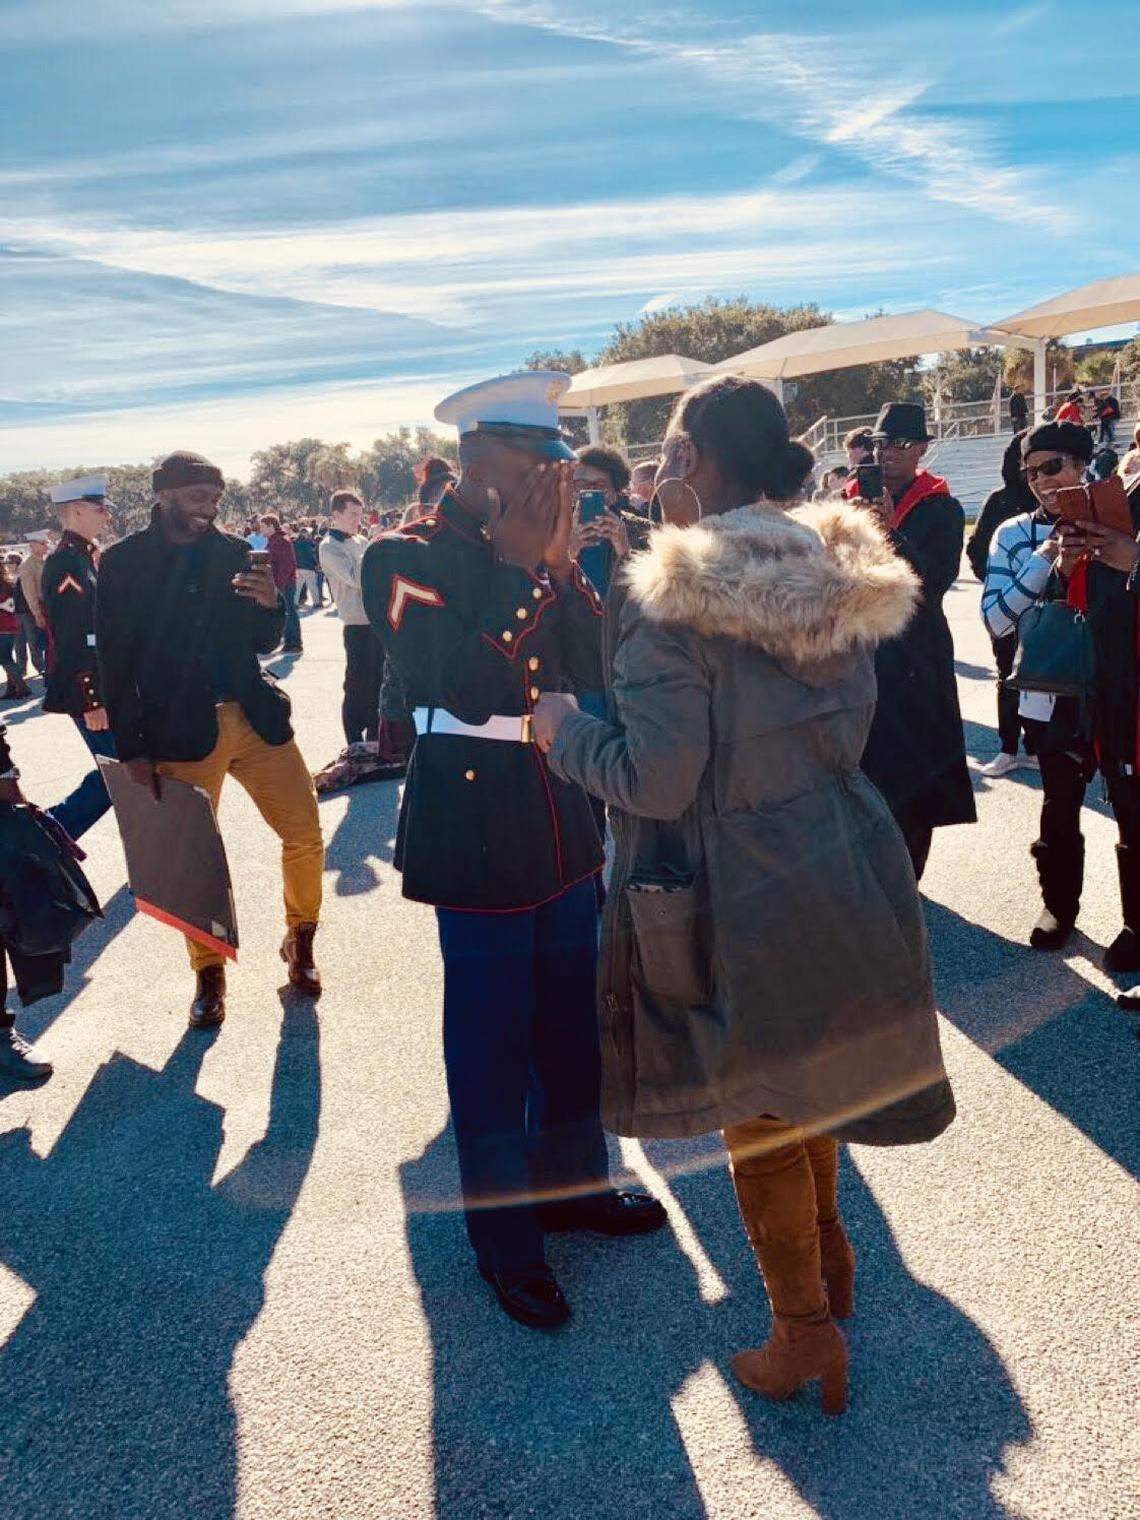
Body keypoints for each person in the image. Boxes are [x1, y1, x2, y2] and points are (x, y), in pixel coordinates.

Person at [531, 374, 955, 1415]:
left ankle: (803, 1329)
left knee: (755, 1106)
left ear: (698, 463)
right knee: (808, 1077)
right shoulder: (836, 561)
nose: (664, 467)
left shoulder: (676, 602)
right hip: (842, 851)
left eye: (675, 449)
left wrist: (563, 732)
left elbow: (657, 777)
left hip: (737, 879)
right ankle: (833, 1263)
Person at [361, 371, 664, 1331]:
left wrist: (562, 568)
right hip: (478, 825)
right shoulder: (401, 556)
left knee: (574, 1024)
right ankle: (506, 1243)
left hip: (562, 813)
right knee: (492, 1045)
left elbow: (587, 665)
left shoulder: (543, 550)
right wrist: (515, 563)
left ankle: (574, 1183)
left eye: (557, 468)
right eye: (536, 467)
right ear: (474, 464)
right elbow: (463, 686)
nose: (552, 486)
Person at [96, 451, 325, 1028]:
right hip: (176, 730)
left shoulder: (231, 552)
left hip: (255, 718)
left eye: (216, 498)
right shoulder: (123, 564)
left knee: (304, 832)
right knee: (194, 858)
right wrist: (133, 750)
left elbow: (263, 640)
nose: (210, 509)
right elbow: (115, 666)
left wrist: (273, 604)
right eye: (199, 497)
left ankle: (301, 943)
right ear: (163, 496)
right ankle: (208, 974)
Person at [983, 421, 1140, 971]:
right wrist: (1047, 560)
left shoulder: (1124, 516)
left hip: (1120, 686)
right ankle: (1058, 907)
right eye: (1031, 473)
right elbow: (997, 620)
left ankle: (1133, 924)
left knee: (1130, 804)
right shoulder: (1013, 534)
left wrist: (1124, 555)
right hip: (1051, 690)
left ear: (1083, 465)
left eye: (1053, 467)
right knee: (1058, 802)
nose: (1042, 482)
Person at [859, 402, 976, 880]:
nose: (888, 453)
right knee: (867, 768)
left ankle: (910, 875)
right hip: (865, 652)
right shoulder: (853, 502)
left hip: (916, 657)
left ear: (922, 448)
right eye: (881, 444)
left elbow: (933, 580)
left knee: (914, 772)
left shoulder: (941, 507)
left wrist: (890, 533)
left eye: (900, 444)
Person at [41, 475, 117, 842]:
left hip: (102, 685)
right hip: (87, 690)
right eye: (100, 509)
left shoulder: (84, 557)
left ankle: (49, 836)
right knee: (116, 775)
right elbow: (75, 641)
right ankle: (49, 837)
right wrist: (93, 701)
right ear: (76, 510)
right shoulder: (65, 564)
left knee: (116, 774)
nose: (107, 516)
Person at [966, 432, 1039, 776]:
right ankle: (1009, 747)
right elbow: (976, 550)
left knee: (1046, 677)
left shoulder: (1060, 503)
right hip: (1007, 611)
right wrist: (998, 581)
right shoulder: (999, 501)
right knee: (1008, 676)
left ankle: (1038, 747)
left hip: (1049, 614)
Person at [318, 490, 384, 749]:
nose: (360, 519)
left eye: (361, 513)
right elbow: (357, 579)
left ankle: (375, 739)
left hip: (376, 622)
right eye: (353, 514)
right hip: (356, 624)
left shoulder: (361, 541)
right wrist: (373, 551)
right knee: (357, 685)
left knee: (378, 683)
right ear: (336, 515)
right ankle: (354, 742)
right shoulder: (329, 546)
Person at [262, 515, 302, 653]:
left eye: (263, 526)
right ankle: (289, 642)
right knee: (286, 613)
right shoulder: (273, 541)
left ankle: (295, 643)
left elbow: (287, 565)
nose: (261, 529)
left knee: (289, 612)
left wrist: (278, 585)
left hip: (285, 584)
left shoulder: (281, 541)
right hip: (279, 583)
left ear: (271, 526)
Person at [16, 537, 50, 679]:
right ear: (33, 545)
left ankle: (47, 666)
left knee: (47, 639)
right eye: (43, 543)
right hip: (35, 608)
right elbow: (30, 592)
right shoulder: (27, 566)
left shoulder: (45, 562)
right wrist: (37, 613)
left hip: (48, 606)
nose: (46, 546)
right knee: (34, 640)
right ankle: (41, 667)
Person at [0, 562, 32, 700]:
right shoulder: (7, 584)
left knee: (5, 658)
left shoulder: (5, 586)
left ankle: (22, 687)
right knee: (7, 657)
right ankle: (12, 688)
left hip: (4, 626)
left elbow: (10, 605)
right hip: (8, 625)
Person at [293, 521, 323, 608]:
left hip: (298, 567)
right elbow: (311, 554)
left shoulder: (295, 542)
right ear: (305, 534)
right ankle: (317, 602)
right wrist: (316, 564)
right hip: (308, 567)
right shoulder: (308, 542)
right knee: (313, 586)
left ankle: (295, 603)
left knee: (298, 587)